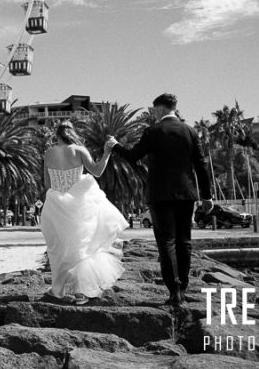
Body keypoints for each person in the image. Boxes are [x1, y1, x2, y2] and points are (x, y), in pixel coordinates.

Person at [112, 93, 212, 306]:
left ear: (160, 109)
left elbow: (133, 156)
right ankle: (183, 286)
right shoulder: (190, 131)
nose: (154, 113)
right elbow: (201, 165)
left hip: (160, 195)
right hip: (186, 194)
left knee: (166, 241)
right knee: (184, 241)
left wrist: (114, 145)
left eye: (154, 110)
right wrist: (207, 195)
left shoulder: (153, 131)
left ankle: (174, 289)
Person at [40, 121, 126, 304]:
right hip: (78, 204)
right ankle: (81, 292)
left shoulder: (49, 153)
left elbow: (47, 183)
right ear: (72, 133)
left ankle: (58, 289)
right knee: (82, 247)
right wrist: (106, 152)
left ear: (57, 135)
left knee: (59, 248)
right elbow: (97, 171)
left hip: (56, 204)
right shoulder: (79, 150)